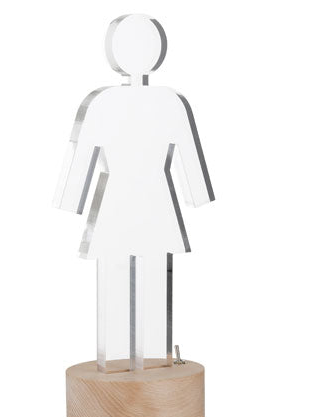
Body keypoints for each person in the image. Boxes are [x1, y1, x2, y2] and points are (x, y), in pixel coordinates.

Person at [54, 14, 214, 373]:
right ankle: (121, 363)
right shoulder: (163, 102)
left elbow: (82, 159)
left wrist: (70, 200)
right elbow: (190, 162)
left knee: (147, 274)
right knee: (125, 273)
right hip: (138, 200)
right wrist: (197, 193)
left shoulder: (114, 102)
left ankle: (150, 362)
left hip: (135, 200)